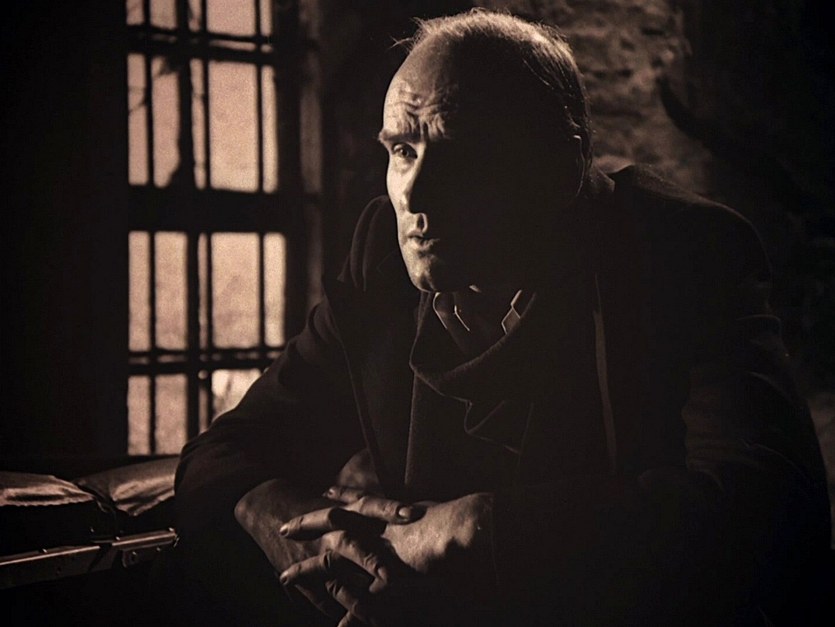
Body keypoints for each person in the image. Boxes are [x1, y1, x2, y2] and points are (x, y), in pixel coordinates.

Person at [172, 9, 830, 627]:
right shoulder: (382, 262)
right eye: (402, 151)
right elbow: (223, 453)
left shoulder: (676, 252)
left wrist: (475, 527)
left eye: (457, 153)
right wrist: (297, 528)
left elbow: (769, 517)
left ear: (560, 167)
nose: (414, 193)